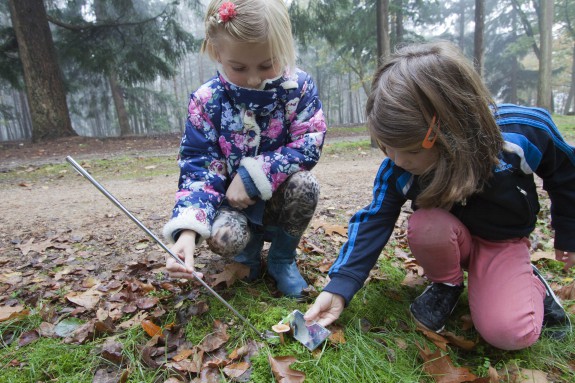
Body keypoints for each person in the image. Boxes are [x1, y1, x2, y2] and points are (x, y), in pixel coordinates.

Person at [304, 41, 574, 350]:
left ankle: (529, 283)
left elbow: (566, 173)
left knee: (509, 334)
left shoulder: (520, 135)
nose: (396, 159)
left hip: (503, 242)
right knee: (426, 224)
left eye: (411, 151)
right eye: (385, 146)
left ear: (450, 132)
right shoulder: (397, 169)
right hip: (449, 239)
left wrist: (569, 232)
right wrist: (340, 286)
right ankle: (446, 284)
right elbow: (373, 219)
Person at [162, 0, 326, 298]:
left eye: (267, 64)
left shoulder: (298, 88)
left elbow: (310, 141)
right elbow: (198, 167)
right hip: (231, 207)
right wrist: (187, 231)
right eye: (238, 67)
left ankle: (281, 259)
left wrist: (253, 175)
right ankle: (245, 257)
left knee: (305, 185)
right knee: (223, 238)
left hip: (278, 201)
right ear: (216, 52)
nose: (254, 78)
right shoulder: (206, 100)